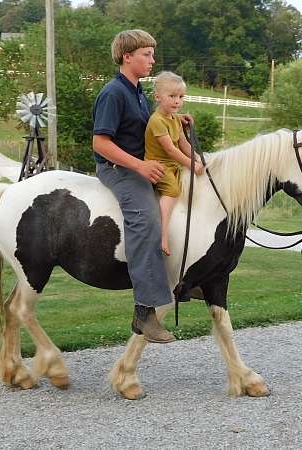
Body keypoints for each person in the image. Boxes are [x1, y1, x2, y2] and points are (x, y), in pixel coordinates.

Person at [93, 30, 187, 344]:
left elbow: (150, 127)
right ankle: (144, 312)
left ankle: (192, 277)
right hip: (119, 169)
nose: (152, 60)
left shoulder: (138, 93)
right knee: (146, 220)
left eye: (152, 54)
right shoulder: (113, 93)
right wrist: (140, 166)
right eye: (146, 54)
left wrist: (175, 117)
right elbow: (101, 143)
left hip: (141, 166)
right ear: (127, 56)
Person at [145, 71, 204, 256]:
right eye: (172, 96)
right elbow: (170, 150)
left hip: (173, 164)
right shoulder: (157, 121)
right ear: (157, 97)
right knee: (173, 190)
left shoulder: (174, 120)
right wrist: (192, 165)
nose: (177, 101)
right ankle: (161, 234)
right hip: (159, 164)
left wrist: (199, 159)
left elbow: (183, 144)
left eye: (180, 97)